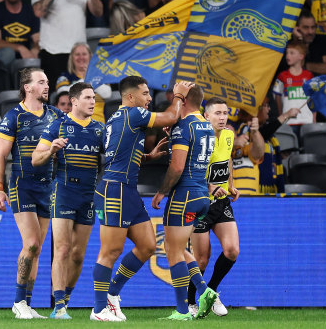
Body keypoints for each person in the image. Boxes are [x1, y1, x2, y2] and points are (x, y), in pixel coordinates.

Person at [90, 76, 192, 321]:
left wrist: (147, 156)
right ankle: (98, 310)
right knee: (110, 251)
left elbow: (119, 154)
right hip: (114, 190)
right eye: (145, 93)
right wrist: (178, 95)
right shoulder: (134, 114)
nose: (149, 98)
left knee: (147, 245)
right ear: (130, 96)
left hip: (127, 190)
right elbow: (171, 117)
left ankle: (112, 294)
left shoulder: (116, 118)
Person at [0, 67, 63, 319]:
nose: (47, 86)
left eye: (47, 81)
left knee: (37, 249)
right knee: (31, 244)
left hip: (48, 188)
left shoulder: (55, 114)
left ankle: (27, 304)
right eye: (41, 82)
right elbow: (1, 156)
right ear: (28, 87)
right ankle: (17, 302)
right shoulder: (13, 116)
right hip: (22, 186)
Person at [32, 82, 104, 319]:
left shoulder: (99, 130)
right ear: (74, 101)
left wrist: (147, 155)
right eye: (87, 97)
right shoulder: (58, 125)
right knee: (61, 250)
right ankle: (59, 306)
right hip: (63, 192)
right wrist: (51, 149)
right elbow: (35, 158)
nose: (92, 101)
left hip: (88, 196)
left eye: (93, 97)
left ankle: (67, 298)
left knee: (78, 255)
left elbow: (117, 156)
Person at [150, 86, 219, 321]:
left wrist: (161, 192)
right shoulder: (207, 125)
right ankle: (205, 291)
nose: (174, 101)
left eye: (179, 97)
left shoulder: (184, 126)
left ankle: (182, 311)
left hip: (184, 195)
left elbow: (178, 167)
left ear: (186, 101)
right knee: (181, 250)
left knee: (173, 252)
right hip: (201, 196)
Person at [186, 97, 239, 317]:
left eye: (225, 113)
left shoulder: (228, 135)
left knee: (232, 250)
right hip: (200, 204)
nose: (222, 117)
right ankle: (191, 303)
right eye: (217, 113)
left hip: (221, 202)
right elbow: (188, 170)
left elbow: (226, 160)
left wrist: (231, 184)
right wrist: (209, 186)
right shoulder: (198, 138)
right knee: (201, 259)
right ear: (206, 116)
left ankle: (212, 292)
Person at [32, 0, 103, 82]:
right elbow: (38, 11)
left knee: (80, 95)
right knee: (54, 97)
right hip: (52, 52)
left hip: (78, 53)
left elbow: (98, 12)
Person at [55, 42, 111, 123]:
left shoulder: (100, 76)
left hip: (98, 124)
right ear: (72, 58)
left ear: (90, 56)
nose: (81, 57)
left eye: (84, 54)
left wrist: (88, 79)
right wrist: (88, 81)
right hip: (74, 124)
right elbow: (62, 92)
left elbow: (107, 93)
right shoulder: (65, 77)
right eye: (77, 54)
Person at [273, 39, 314, 136]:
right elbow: (277, 97)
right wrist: (282, 115)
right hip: (288, 122)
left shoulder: (309, 76)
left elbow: (313, 99)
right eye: (287, 53)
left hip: (307, 121)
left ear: (301, 56)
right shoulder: (282, 76)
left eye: (292, 53)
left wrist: (314, 119)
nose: (287, 56)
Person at [291, 8, 326, 75]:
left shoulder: (321, 41)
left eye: (313, 27)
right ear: (297, 28)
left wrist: (305, 66)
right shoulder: (288, 43)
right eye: (306, 27)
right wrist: (298, 40)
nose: (310, 32)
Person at [231, 108, 265, 194]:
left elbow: (259, 152)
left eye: (229, 129)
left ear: (235, 132)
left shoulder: (246, 147)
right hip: (228, 202)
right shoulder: (215, 151)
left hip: (251, 202)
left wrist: (255, 132)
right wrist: (231, 145)